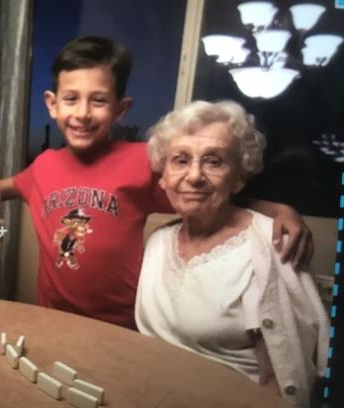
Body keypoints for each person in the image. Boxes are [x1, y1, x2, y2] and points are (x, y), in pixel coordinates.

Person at [0, 36, 313, 329]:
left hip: (123, 326)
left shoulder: (143, 160)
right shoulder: (43, 167)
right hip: (53, 319)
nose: (83, 113)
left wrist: (278, 209)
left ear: (121, 109)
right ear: (52, 104)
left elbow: (205, 191)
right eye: (71, 98)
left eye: (98, 100)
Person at [135, 100, 329, 407]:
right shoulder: (158, 240)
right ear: (163, 176)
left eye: (214, 161)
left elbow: (283, 382)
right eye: (180, 160)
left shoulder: (272, 245)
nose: (195, 175)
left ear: (239, 177)